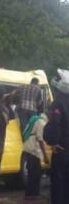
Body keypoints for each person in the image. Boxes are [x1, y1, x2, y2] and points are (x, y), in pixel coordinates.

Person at [43, 69, 69, 204]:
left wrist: (53, 142)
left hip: (62, 149)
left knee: (58, 183)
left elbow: (55, 124)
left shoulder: (59, 102)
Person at [22, 103, 49, 200]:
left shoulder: (35, 118)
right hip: (33, 149)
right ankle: (32, 195)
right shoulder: (41, 122)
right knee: (35, 173)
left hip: (28, 147)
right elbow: (40, 140)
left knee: (33, 173)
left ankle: (31, 194)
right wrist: (45, 156)